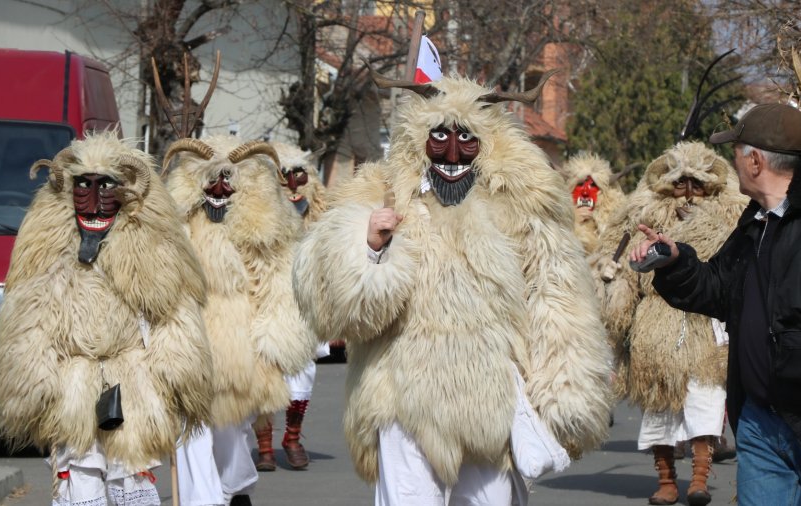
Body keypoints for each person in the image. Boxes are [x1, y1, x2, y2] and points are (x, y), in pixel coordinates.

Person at [291, 71, 614, 505]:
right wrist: (369, 247)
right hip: (401, 401)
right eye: (439, 135)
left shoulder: (523, 201)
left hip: (493, 403)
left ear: (488, 143)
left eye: (467, 138)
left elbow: (557, 297)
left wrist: (567, 388)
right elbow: (335, 313)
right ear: (418, 137)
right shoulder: (380, 194)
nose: (453, 151)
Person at [631, 103, 801, 505]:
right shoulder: (758, 219)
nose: (733, 161)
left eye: (736, 150)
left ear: (755, 160)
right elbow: (718, 289)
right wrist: (675, 261)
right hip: (762, 423)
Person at [0, 132, 214, 505]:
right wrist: (31, 382)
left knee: (130, 474)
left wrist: (179, 377)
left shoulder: (152, 253)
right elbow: (30, 319)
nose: (94, 200)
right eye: (83, 186)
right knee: (80, 476)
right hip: (72, 384)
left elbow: (172, 315)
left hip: (133, 380)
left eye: (105, 186)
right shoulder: (47, 252)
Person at [163, 135, 318, 504]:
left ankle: (235, 492)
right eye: (210, 180)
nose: (219, 188)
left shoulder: (260, 231)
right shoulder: (179, 229)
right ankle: (205, 499)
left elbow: (277, 286)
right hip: (189, 350)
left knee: (232, 441)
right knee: (191, 441)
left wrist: (272, 350)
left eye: (228, 181)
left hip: (240, 355)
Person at [594, 141, 747, 506]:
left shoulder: (734, 217)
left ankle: (699, 479)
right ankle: (665, 480)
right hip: (655, 325)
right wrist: (613, 286)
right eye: (681, 184)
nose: (689, 193)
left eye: (698, 184)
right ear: (666, 183)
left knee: (705, 401)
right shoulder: (642, 214)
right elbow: (615, 257)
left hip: (706, 325)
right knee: (659, 404)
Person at [254, 142, 330, 472]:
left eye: (299, 173)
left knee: (303, 372)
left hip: (302, 304)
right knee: (264, 372)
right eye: (285, 175)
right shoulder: (255, 217)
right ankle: (264, 445)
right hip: (267, 301)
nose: (292, 182)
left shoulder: (319, 217)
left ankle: (293, 438)